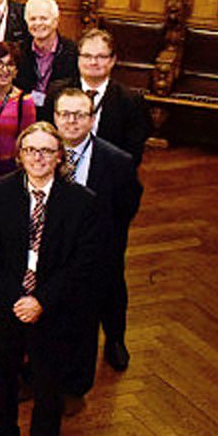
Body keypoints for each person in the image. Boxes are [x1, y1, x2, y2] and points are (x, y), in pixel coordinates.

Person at [0, 121, 99, 436]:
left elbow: (81, 262)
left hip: (53, 307)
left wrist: (41, 300)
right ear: (20, 154)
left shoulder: (80, 202)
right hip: (7, 302)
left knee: (48, 383)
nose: (38, 158)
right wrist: (17, 298)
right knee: (3, 377)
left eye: (47, 151)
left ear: (59, 156)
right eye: (31, 150)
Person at [53, 88, 142, 385]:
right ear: (55, 118)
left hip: (96, 254)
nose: (71, 122)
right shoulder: (40, 152)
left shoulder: (117, 162)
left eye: (79, 115)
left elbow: (126, 207)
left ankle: (77, 383)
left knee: (85, 319)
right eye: (64, 114)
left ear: (92, 119)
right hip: (50, 253)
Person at [69, 28, 150, 165]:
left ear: (112, 60)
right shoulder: (57, 92)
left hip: (107, 172)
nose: (93, 62)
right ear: (78, 59)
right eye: (87, 56)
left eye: (101, 57)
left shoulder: (131, 101)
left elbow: (132, 154)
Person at [16, 0, 79, 120]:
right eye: (33, 19)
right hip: (24, 116)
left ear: (55, 21)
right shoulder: (18, 51)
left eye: (44, 18)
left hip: (60, 118)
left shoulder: (73, 52)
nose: (38, 23)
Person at [0, 41, 37, 176]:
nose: (4, 70)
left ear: (16, 70)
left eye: (10, 65)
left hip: (10, 170)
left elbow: (28, 141)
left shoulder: (24, 101)